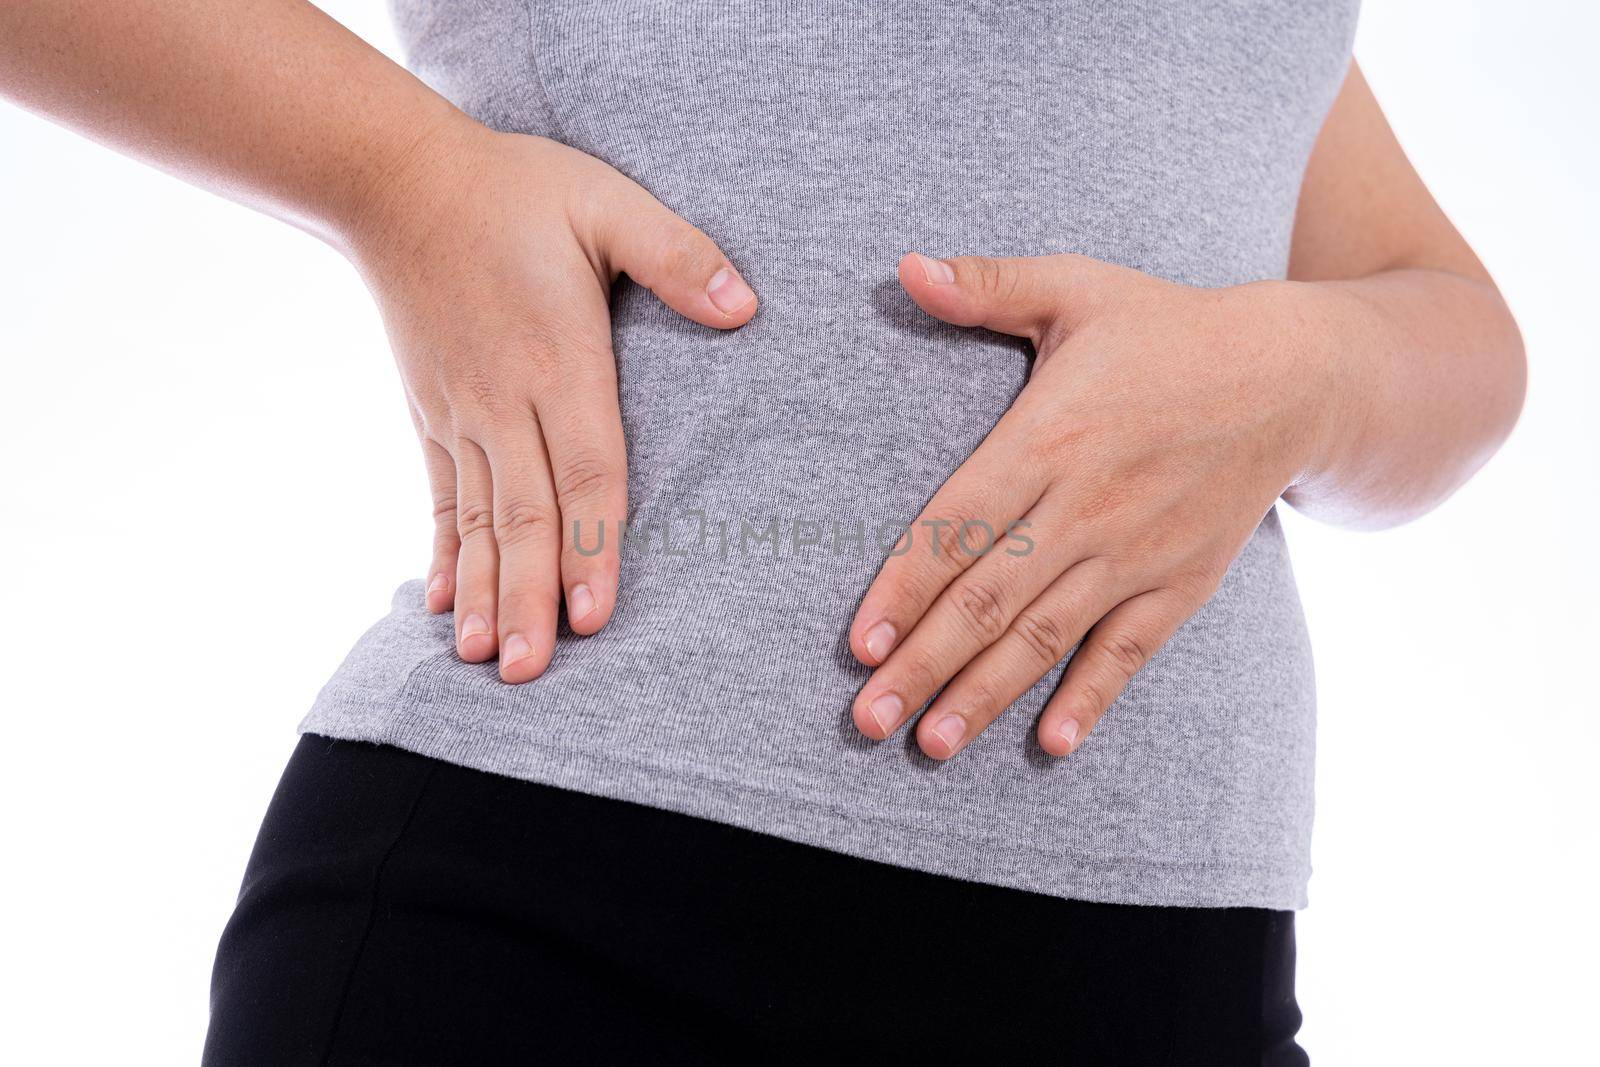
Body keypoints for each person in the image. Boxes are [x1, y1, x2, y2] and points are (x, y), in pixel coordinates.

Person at [1, 0, 1525, 1061]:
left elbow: (1449, 318)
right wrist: (401, 173)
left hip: (1178, 972)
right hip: (563, 914)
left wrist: (1309, 374)